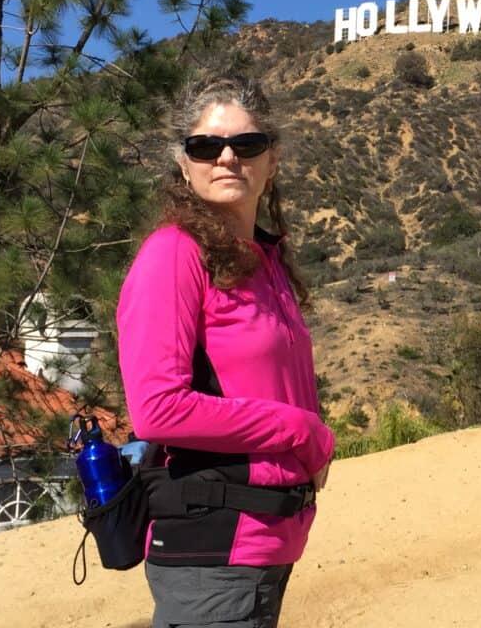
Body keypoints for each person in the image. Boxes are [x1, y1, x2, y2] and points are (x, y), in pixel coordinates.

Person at [116, 75, 335, 628]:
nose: (228, 157)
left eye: (248, 144)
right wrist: (301, 432)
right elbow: (157, 408)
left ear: (272, 159)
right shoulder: (173, 255)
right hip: (213, 548)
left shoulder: (265, 261)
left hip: (264, 540)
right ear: (184, 163)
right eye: (206, 146)